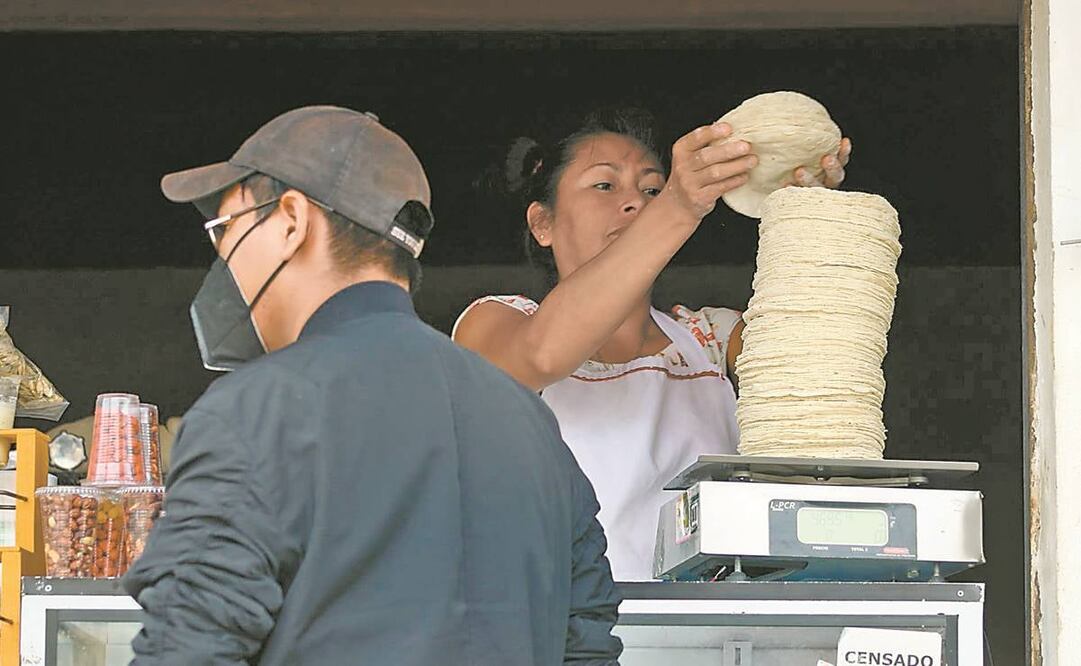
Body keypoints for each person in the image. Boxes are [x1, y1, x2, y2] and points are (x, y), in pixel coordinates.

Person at [123, 106, 623, 665]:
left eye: (227, 227)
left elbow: (186, 650)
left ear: (291, 219)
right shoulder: (534, 428)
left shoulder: (257, 410)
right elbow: (588, 647)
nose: (224, 258)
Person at [453, 108, 851, 581]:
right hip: (556, 638)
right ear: (543, 223)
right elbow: (541, 355)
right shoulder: (496, 321)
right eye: (605, 185)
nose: (635, 204)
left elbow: (823, 375)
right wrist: (677, 206)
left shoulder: (711, 339)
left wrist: (805, 215)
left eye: (652, 190)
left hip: (705, 640)